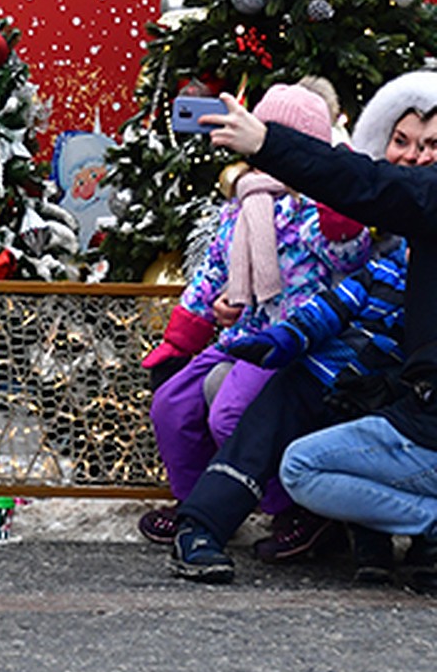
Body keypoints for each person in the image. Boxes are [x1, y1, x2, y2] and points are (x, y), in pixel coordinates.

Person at [167, 73, 437, 584]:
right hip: (370, 367)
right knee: (293, 395)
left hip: (415, 391)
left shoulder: (410, 199)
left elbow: (366, 187)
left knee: (310, 454)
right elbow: (344, 295)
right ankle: (201, 524)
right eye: (402, 142)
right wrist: (282, 338)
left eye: (431, 145)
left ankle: (412, 540)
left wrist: (268, 143)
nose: (417, 157)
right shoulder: (392, 217)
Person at [137, 84, 370, 545]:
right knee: (171, 404)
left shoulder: (315, 207)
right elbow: (212, 271)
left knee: (232, 414)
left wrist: (336, 199)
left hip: (294, 342)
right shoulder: (243, 200)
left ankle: (295, 509)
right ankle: (197, 499)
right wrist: (184, 334)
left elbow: (348, 254)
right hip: (242, 332)